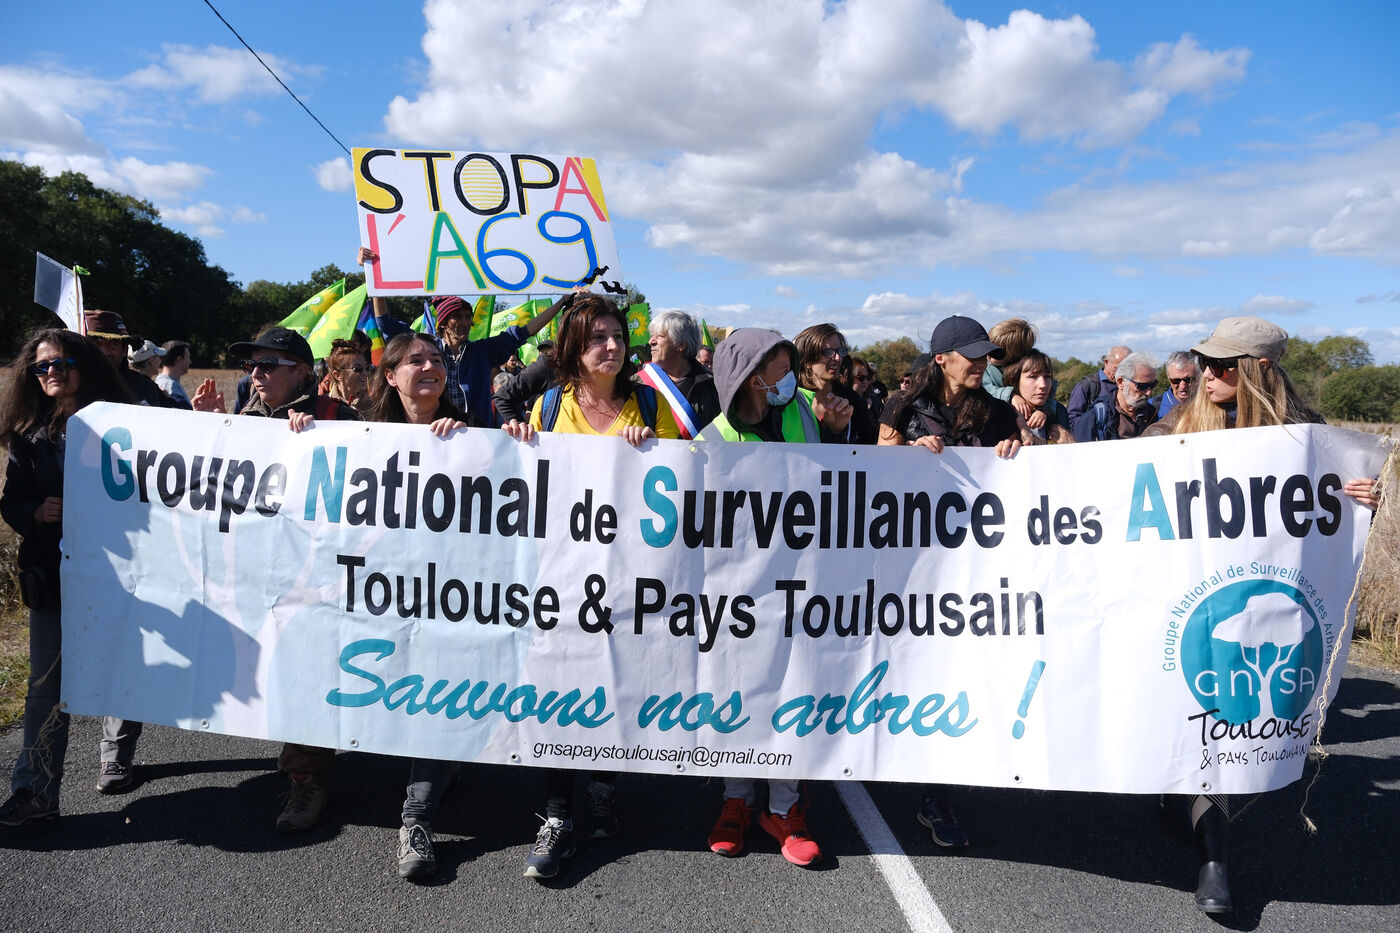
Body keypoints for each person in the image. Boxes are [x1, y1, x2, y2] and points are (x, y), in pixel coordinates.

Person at [1140, 316, 1376, 913]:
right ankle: (1213, 859)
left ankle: (1200, 829)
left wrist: (1363, 498)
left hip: (1261, 604)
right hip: (1191, 600)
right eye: (1204, 363)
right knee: (1201, 721)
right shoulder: (1177, 424)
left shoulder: (1307, 437)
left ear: (1258, 369)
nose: (1206, 374)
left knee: (1233, 722)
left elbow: (1335, 508)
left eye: (1221, 365)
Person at [502, 294, 679, 879]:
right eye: (597, 337)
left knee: (615, 680)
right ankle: (556, 814)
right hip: (561, 576)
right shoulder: (550, 406)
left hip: (629, 576)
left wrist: (654, 452)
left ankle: (602, 786)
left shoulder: (650, 403)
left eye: (618, 336)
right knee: (557, 688)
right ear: (573, 348)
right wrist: (517, 440)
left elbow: (683, 481)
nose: (611, 346)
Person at [192, 326, 361, 831]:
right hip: (255, 570)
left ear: (303, 372)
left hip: (316, 573)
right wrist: (208, 428)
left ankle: (307, 780)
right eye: (252, 366)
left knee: (307, 670)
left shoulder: (339, 417)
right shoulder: (245, 420)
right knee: (270, 670)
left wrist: (320, 438)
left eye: (268, 365)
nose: (256, 374)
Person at [694, 328, 851, 867]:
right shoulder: (711, 438)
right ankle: (737, 799)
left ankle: (784, 808)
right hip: (737, 591)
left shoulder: (803, 412)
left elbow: (831, 478)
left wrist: (835, 432)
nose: (791, 381)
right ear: (751, 378)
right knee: (736, 690)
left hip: (800, 583)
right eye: (781, 371)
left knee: (793, 688)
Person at [878, 315, 1022, 848]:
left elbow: (1025, 477)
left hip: (974, 562)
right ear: (941, 358)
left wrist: (1015, 454)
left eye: (987, 356)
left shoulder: (998, 411)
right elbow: (873, 474)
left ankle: (937, 791)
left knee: (957, 665)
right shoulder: (902, 406)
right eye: (972, 355)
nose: (982, 364)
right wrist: (907, 457)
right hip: (914, 561)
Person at [0, 330, 138, 825]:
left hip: (124, 577)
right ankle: (34, 791)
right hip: (53, 578)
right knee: (45, 688)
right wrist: (36, 512)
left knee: (123, 670)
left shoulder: (129, 423)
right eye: (42, 366)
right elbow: (12, 502)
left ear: (85, 365)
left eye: (62, 363)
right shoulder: (28, 435)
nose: (52, 372)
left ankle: (116, 755)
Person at [361, 332, 474, 880]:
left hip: (450, 594)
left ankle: (417, 818)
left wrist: (515, 440)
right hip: (378, 591)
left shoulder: (471, 435)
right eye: (415, 360)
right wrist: (301, 430)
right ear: (390, 375)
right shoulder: (360, 435)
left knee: (435, 694)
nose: (430, 366)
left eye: (436, 359)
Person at [357, 247, 569, 424]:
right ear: (442, 323)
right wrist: (372, 274)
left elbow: (524, 331)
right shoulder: (426, 349)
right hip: (434, 434)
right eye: (457, 317)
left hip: (475, 436)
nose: (465, 322)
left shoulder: (483, 352)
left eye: (468, 316)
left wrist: (561, 302)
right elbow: (384, 321)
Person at [639, 309, 721, 437]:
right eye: (651, 336)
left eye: (659, 336)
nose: (651, 341)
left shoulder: (713, 386)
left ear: (681, 344)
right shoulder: (637, 383)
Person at [83, 309, 179, 409]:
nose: (105, 352)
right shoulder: (73, 384)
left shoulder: (143, 387)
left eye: (113, 344)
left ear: (124, 350)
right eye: (96, 344)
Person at [794, 323, 870, 444]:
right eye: (828, 352)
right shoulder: (791, 401)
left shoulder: (852, 401)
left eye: (841, 351)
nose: (838, 358)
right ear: (807, 360)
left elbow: (866, 447)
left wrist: (837, 431)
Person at [1072, 351, 1160, 442]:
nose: (1149, 392)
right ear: (1121, 382)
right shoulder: (1095, 418)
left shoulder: (1151, 414)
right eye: (1142, 386)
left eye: (1152, 385)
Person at [1005, 350, 1072, 444]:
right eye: (1033, 376)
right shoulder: (1002, 415)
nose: (1043, 385)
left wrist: (1071, 444)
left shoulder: (1059, 412)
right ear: (1014, 380)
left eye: (1047, 376)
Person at [1067, 344, 1130, 428]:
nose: (1122, 373)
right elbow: (1072, 419)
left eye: (1127, 369)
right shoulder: (1088, 386)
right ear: (1106, 362)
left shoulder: (1131, 386)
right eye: (1117, 368)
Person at [323, 338, 373, 415]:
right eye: (358, 369)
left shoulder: (374, 406)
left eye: (367, 368)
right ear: (338, 375)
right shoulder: (324, 406)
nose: (366, 373)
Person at [843, 355, 884, 443]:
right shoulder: (842, 402)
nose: (865, 382)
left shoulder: (875, 401)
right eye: (861, 378)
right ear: (849, 377)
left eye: (868, 377)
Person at [1156, 351, 1198, 419]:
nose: (1182, 386)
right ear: (1168, 377)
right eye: (1176, 381)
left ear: (1198, 376)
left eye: (1188, 380)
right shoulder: (1153, 407)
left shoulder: (1208, 405)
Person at [156, 340, 193, 409]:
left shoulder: (168, 383)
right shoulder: (170, 386)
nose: (190, 362)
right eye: (188, 357)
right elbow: (180, 412)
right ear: (179, 360)